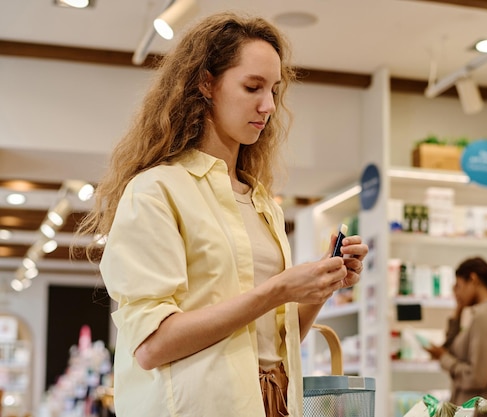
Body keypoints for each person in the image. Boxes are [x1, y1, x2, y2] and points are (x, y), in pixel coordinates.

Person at [76, 11, 368, 417]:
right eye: (252, 87)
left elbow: (274, 347)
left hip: (274, 402)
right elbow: (152, 346)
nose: (268, 106)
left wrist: (319, 287)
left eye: (274, 90)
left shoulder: (261, 201)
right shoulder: (157, 191)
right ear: (205, 83)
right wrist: (279, 289)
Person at [424, 257, 487, 405]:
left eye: (458, 286)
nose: (456, 293)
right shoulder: (476, 314)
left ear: (473, 279)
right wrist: (458, 311)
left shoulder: (485, 317)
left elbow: (477, 377)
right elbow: (450, 348)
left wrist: (444, 358)